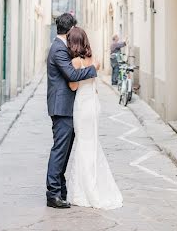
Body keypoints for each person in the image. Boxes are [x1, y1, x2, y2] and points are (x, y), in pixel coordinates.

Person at [46, 12, 99, 209]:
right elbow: (71, 75)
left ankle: (60, 189)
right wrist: (93, 69)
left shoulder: (60, 47)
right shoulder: (59, 49)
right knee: (60, 151)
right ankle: (53, 193)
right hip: (62, 108)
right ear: (69, 31)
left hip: (67, 108)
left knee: (64, 151)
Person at [67, 26, 123, 210]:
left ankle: (84, 189)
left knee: (83, 144)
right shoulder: (94, 60)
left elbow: (74, 86)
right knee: (92, 144)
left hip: (82, 106)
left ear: (73, 43)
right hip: (94, 104)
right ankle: (95, 184)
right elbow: (94, 80)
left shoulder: (75, 62)